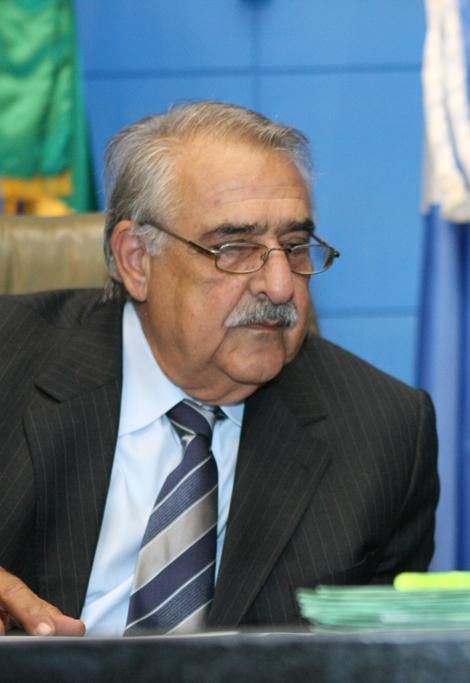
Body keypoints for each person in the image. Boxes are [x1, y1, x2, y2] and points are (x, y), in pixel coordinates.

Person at [0, 101, 439, 636]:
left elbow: (384, 661)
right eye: (234, 248)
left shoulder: (384, 433)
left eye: (295, 247)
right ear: (136, 260)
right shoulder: (10, 358)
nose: (280, 285)